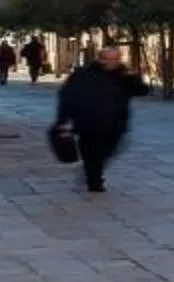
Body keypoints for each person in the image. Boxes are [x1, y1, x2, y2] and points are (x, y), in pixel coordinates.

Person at [54, 46, 143, 194]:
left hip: (115, 123)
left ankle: (93, 172)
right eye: (108, 59)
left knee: (106, 152)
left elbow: (141, 91)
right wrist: (63, 119)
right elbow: (66, 95)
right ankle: (94, 181)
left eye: (115, 59)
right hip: (87, 122)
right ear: (100, 58)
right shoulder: (83, 74)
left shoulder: (124, 75)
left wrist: (134, 78)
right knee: (90, 153)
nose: (111, 62)